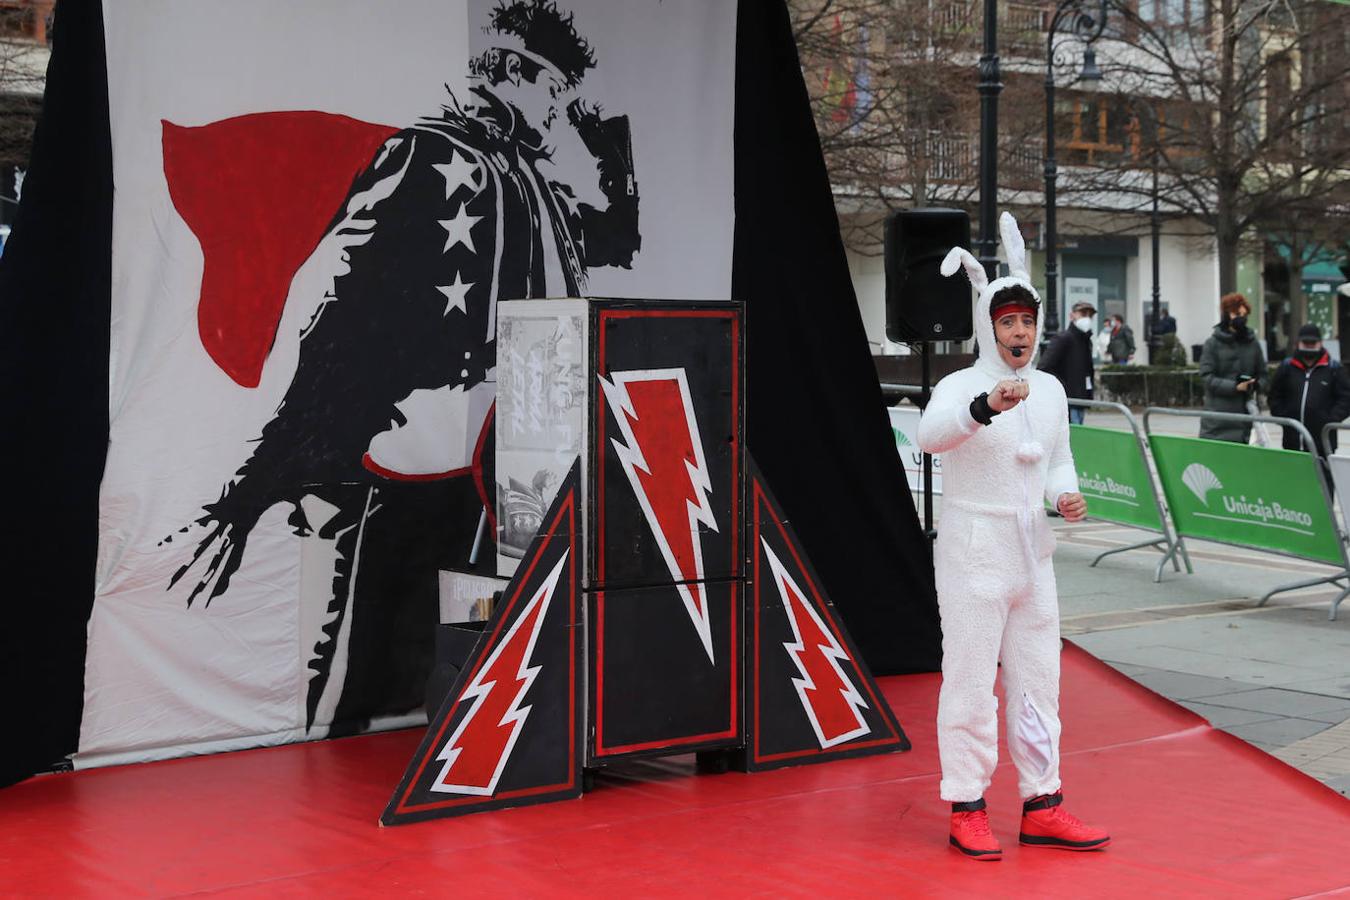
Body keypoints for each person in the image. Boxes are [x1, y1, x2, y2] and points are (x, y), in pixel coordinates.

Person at [169, 0, 641, 732]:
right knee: (359, 660)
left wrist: (605, 132)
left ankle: (454, 735)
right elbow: (342, 304)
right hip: (389, 460)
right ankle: (335, 774)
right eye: (555, 88)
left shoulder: (538, 185)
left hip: (489, 467)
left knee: (456, 629)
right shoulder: (436, 157)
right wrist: (291, 458)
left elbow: (620, 240)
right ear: (515, 73)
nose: (563, 108)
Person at [918, 212, 1110, 862]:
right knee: (970, 679)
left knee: (1038, 681)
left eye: (1027, 321)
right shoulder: (960, 385)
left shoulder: (1052, 390)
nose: (1019, 331)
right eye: (1007, 322)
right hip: (975, 549)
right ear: (988, 326)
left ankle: (1043, 802)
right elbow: (929, 436)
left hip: (1033, 553)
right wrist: (983, 409)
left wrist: (1065, 494)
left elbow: (1057, 458)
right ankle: (966, 805)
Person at [1268, 324, 1350, 456]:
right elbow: (1274, 395)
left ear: (1320, 343)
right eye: (1305, 342)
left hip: (1324, 444)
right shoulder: (1286, 368)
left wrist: (1331, 418)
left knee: (1322, 476)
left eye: (1313, 342)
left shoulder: (1334, 369)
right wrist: (1283, 416)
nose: (1309, 346)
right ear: (1298, 343)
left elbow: (1346, 398)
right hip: (1292, 442)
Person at [1199, 293, 1268, 443]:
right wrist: (1235, 387)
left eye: (1244, 315)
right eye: (1237, 314)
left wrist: (1256, 384)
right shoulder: (1212, 343)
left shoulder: (1253, 343)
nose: (1241, 318)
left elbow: (1263, 374)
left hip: (1243, 419)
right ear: (1226, 314)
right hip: (1217, 419)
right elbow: (1206, 377)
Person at [1039, 301, 1096, 424]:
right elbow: (1044, 367)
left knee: (1078, 434)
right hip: (1068, 398)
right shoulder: (1064, 338)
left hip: (1081, 398)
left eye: (1090, 315)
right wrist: (1063, 388)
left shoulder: (1086, 340)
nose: (1087, 318)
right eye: (1083, 313)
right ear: (1072, 316)